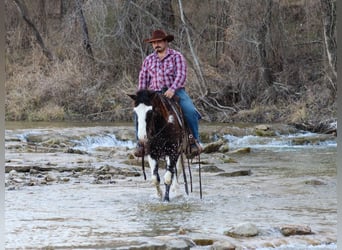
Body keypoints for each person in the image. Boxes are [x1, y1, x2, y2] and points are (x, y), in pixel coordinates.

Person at [134, 29, 202, 157]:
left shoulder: (177, 56)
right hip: (153, 94)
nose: (156, 44)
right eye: (153, 43)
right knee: (138, 113)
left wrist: (172, 89)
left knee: (190, 111)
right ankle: (140, 143)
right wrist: (141, 97)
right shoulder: (148, 60)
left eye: (159, 42)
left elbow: (181, 75)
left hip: (175, 91)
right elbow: (143, 78)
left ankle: (194, 141)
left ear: (166, 42)